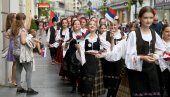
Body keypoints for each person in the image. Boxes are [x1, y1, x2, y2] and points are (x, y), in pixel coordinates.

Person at [125, 6, 166, 97]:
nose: (148, 20)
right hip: (137, 72)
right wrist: (142, 57)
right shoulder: (133, 34)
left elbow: (161, 48)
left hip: (151, 72)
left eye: (151, 18)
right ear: (140, 18)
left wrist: (155, 55)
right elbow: (128, 56)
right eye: (145, 17)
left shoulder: (153, 33)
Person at [76, 20, 110, 97]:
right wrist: (78, 49)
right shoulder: (84, 38)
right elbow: (80, 50)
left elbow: (108, 47)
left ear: (96, 27)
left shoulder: (99, 38)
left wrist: (102, 54)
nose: (92, 25)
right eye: (90, 24)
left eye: (94, 24)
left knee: (94, 81)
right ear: (88, 26)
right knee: (86, 81)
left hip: (96, 61)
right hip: (86, 61)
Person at [11, 13, 38, 95]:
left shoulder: (14, 29)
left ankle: (19, 88)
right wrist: (30, 40)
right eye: (24, 19)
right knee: (29, 70)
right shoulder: (22, 30)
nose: (24, 21)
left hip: (15, 52)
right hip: (22, 54)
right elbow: (23, 41)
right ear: (22, 20)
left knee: (18, 70)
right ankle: (29, 89)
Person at [64, 20, 83, 93]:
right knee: (72, 72)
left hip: (80, 54)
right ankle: (74, 86)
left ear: (80, 25)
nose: (77, 25)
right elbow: (65, 48)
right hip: (71, 55)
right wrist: (66, 43)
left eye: (78, 24)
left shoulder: (83, 34)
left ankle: (80, 86)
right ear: (72, 26)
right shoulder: (69, 34)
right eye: (75, 24)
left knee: (80, 71)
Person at [158, 24, 170, 97]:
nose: (169, 33)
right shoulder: (158, 43)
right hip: (160, 70)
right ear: (162, 32)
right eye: (167, 31)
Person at [5, 13, 17, 87]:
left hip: (14, 45)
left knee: (15, 64)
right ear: (11, 19)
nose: (16, 19)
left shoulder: (13, 27)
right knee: (15, 64)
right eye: (15, 17)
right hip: (14, 46)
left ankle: (14, 80)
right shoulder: (11, 28)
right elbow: (6, 34)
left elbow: (6, 35)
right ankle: (13, 81)